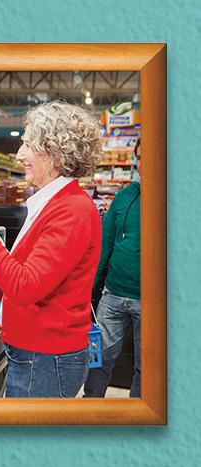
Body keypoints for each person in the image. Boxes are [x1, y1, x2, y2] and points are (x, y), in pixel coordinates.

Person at [0, 100, 102, 397]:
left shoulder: (72, 210)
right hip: (37, 353)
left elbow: (26, 285)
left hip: (46, 359)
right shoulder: (55, 203)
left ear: (55, 152)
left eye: (28, 145)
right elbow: (27, 272)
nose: (19, 155)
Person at [83, 140, 141, 398]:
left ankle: (140, 417)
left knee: (147, 368)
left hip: (152, 301)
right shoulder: (123, 197)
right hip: (113, 296)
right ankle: (90, 407)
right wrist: (88, 290)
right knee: (98, 359)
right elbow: (104, 246)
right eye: (141, 156)